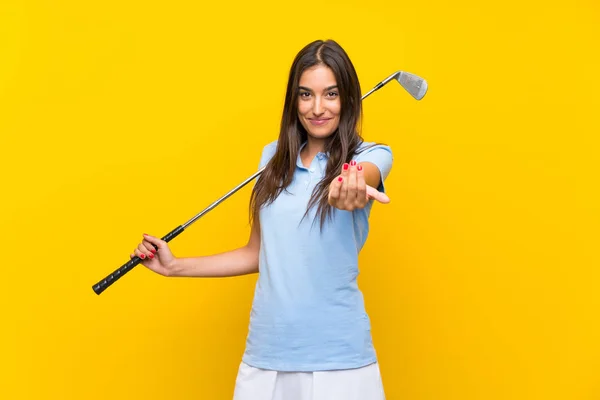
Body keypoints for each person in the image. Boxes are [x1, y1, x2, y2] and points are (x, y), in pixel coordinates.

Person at [131, 39, 393, 400]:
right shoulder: (272, 159)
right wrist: (175, 266)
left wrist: (346, 187)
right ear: (294, 101)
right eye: (306, 95)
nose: (318, 108)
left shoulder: (372, 155)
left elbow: (362, 177)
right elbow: (259, 253)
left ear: (348, 99)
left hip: (340, 359)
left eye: (330, 94)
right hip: (266, 355)